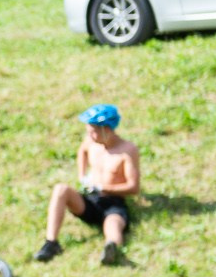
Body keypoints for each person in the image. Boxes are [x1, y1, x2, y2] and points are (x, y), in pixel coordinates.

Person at [36, 105, 141, 266]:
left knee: (113, 223)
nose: (90, 136)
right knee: (60, 189)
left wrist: (104, 188)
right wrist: (82, 175)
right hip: (90, 200)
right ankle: (51, 243)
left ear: (107, 129)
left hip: (113, 203)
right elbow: (82, 152)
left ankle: (111, 248)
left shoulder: (127, 151)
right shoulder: (91, 143)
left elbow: (133, 187)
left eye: (93, 131)